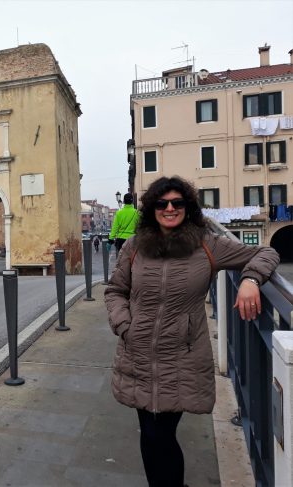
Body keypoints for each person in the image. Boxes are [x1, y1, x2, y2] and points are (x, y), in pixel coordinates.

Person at [104, 176, 279, 487]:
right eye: (162, 203)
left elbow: (266, 253)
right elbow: (116, 290)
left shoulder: (207, 245)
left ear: (188, 207)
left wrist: (251, 280)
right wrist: (124, 325)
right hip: (138, 353)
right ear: (151, 209)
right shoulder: (134, 246)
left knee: (163, 433)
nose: (170, 208)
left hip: (181, 357)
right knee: (149, 432)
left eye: (177, 203)